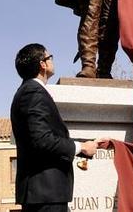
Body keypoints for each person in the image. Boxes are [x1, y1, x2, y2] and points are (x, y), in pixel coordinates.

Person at [11, 43, 100, 211]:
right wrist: (81, 147)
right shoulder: (33, 92)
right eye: (50, 57)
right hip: (45, 193)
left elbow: (46, 136)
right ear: (42, 64)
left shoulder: (29, 91)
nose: (52, 60)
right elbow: (42, 140)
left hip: (46, 194)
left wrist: (87, 144)